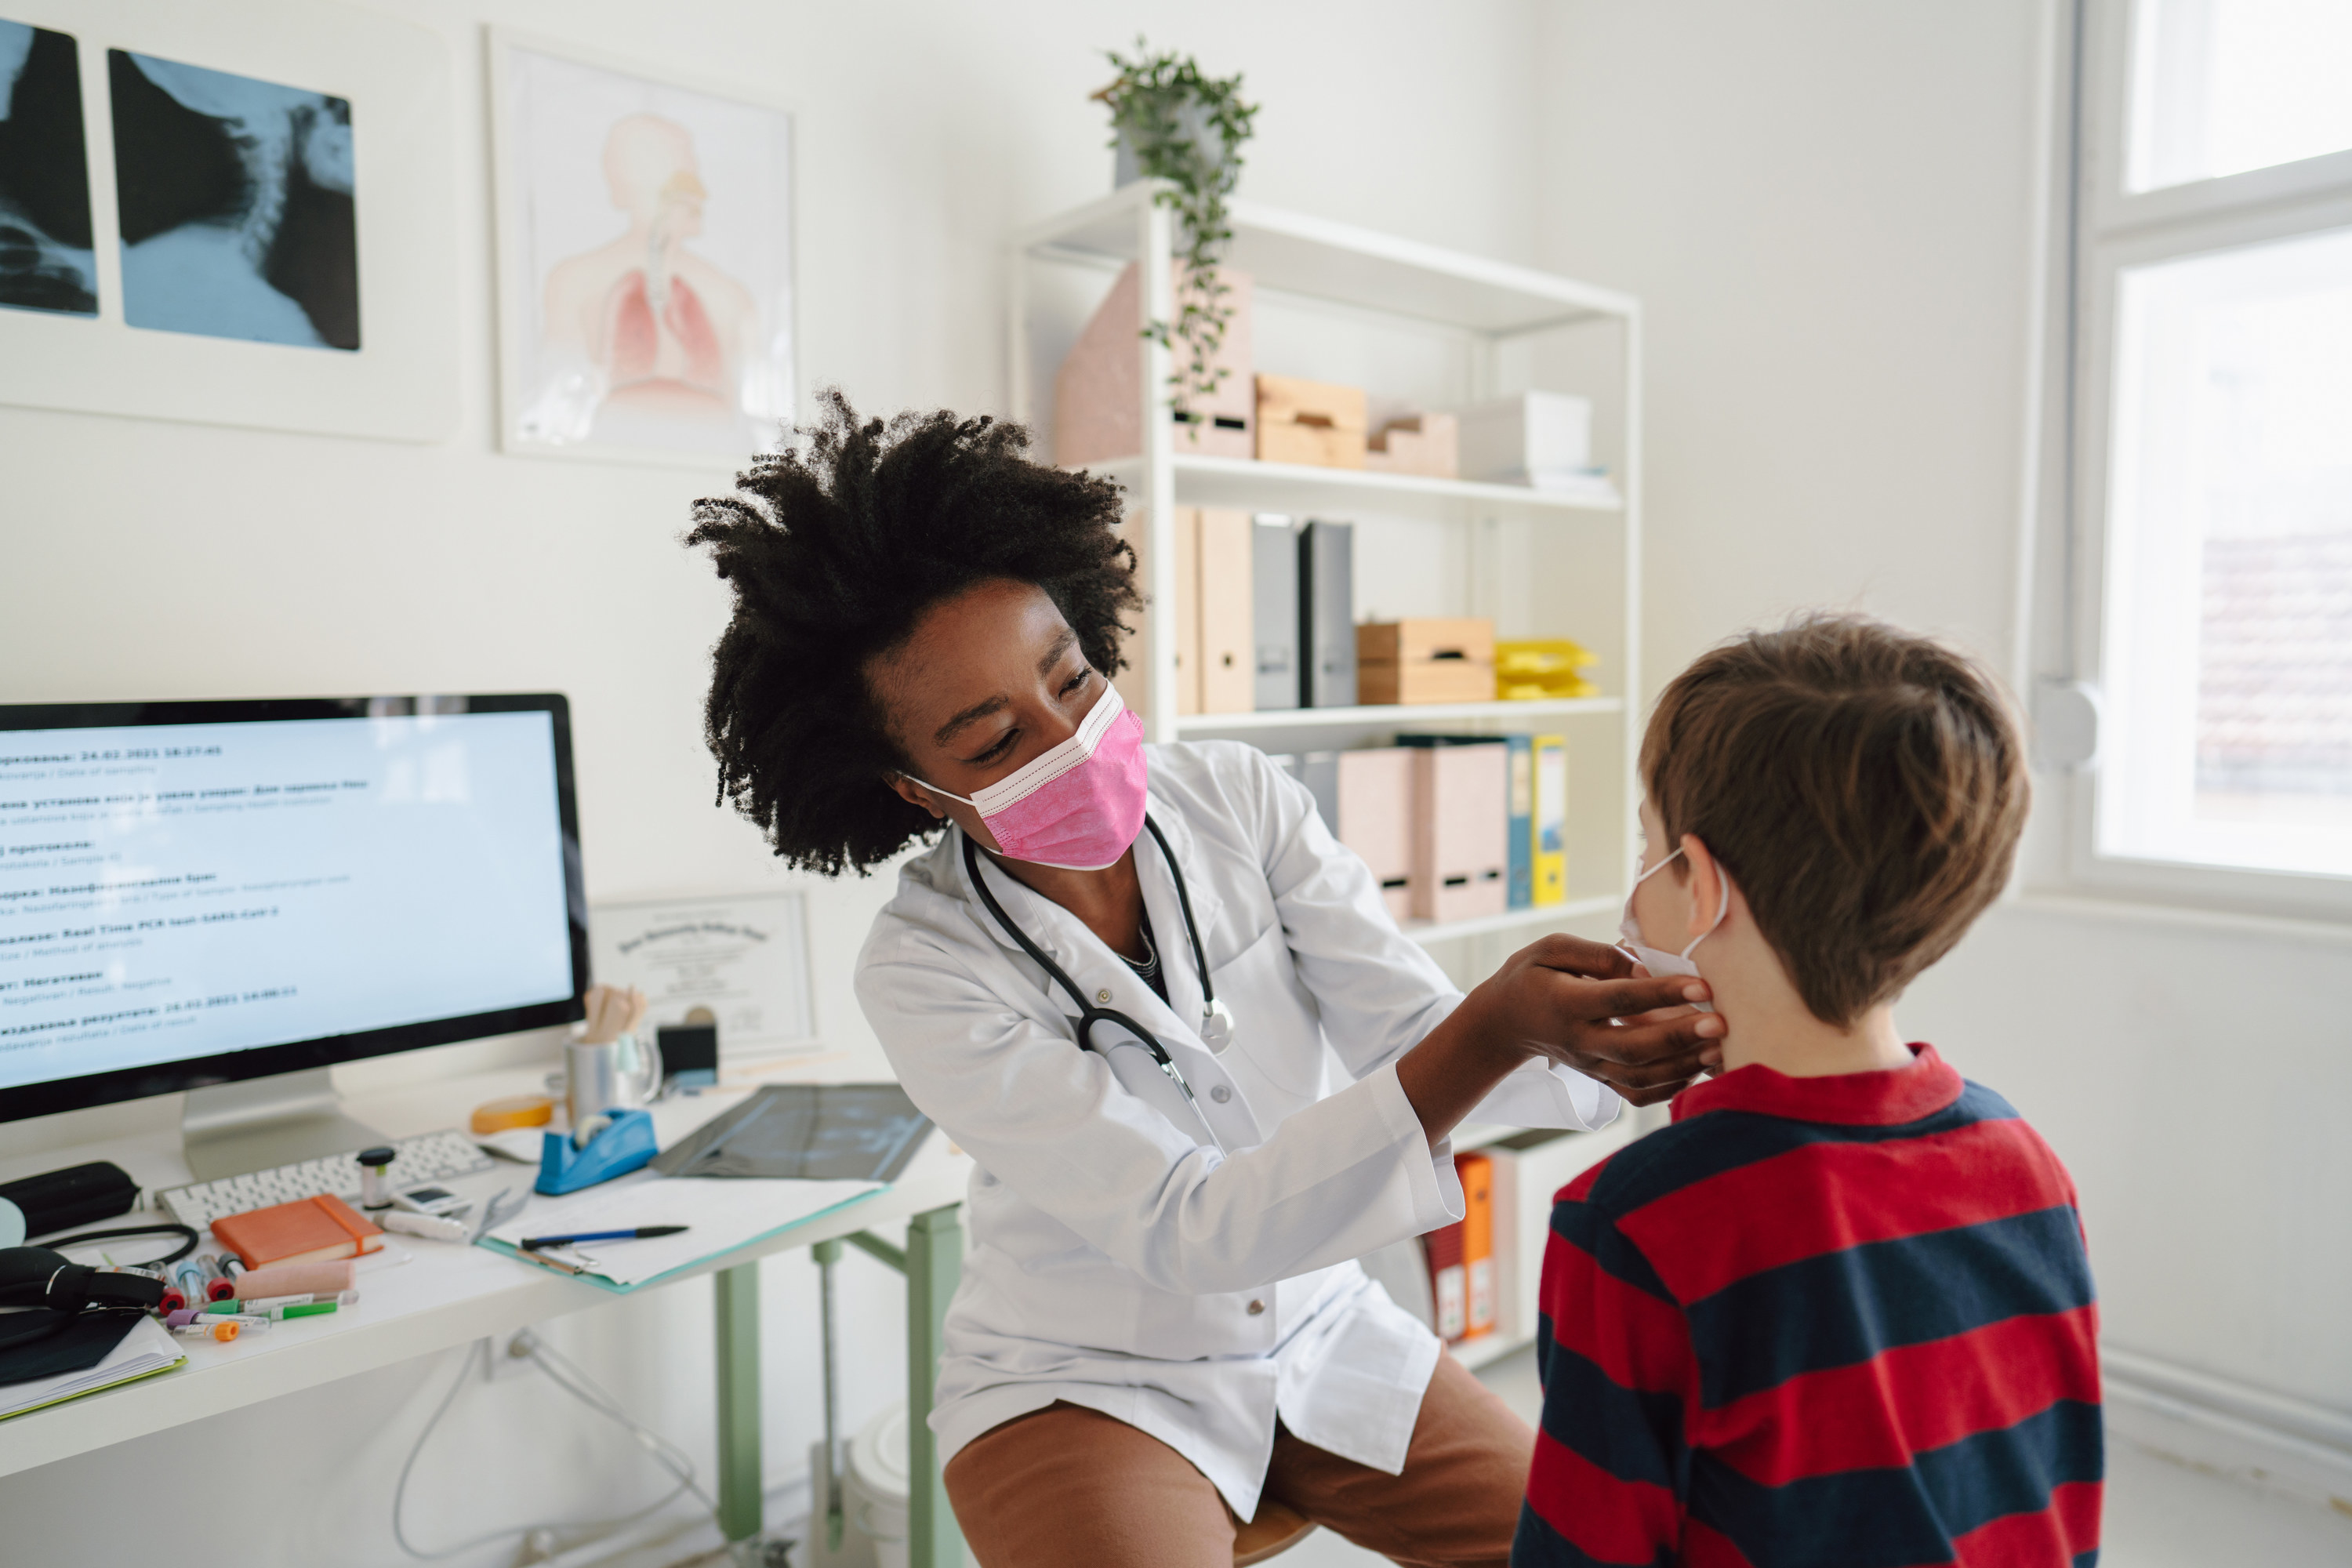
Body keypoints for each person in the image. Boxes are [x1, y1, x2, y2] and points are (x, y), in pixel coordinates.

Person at [688, 394, 1728, 1568]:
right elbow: (1188, 1229)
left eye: (1070, 680)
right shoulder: (924, 967)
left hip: (1319, 1327)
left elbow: (1414, 1039)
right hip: (1090, 1376)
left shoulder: (1239, 801)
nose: (1068, 739)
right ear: (916, 792)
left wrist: (1600, 1040)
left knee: (1602, 1554)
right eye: (992, 742)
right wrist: (1498, 1028)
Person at [1515, 615, 2102, 1567]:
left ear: (1699, 885)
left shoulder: (1635, 1221)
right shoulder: (2025, 1161)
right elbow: (2054, 1503)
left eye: (1647, 846)